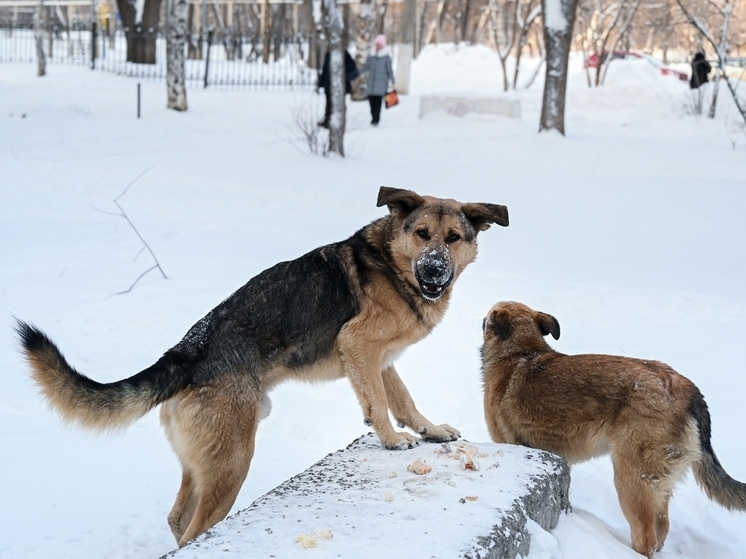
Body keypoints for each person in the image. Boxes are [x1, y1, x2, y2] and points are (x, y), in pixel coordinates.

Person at [359, 35, 395, 126]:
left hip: (381, 84)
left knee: (378, 103)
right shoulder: (371, 56)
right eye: (376, 44)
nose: (377, 46)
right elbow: (366, 67)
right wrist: (357, 72)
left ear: (383, 46)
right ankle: (373, 117)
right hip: (371, 84)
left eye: (379, 45)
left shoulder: (386, 57)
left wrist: (393, 80)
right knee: (371, 102)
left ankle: (376, 119)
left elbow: (389, 70)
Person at [317, 50, 358, 129]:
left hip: (340, 84)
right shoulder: (328, 53)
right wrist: (322, 82)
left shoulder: (344, 54)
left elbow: (352, 68)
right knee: (328, 103)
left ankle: (338, 121)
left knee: (338, 104)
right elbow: (325, 69)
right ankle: (327, 119)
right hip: (328, 83)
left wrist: (342, 70)